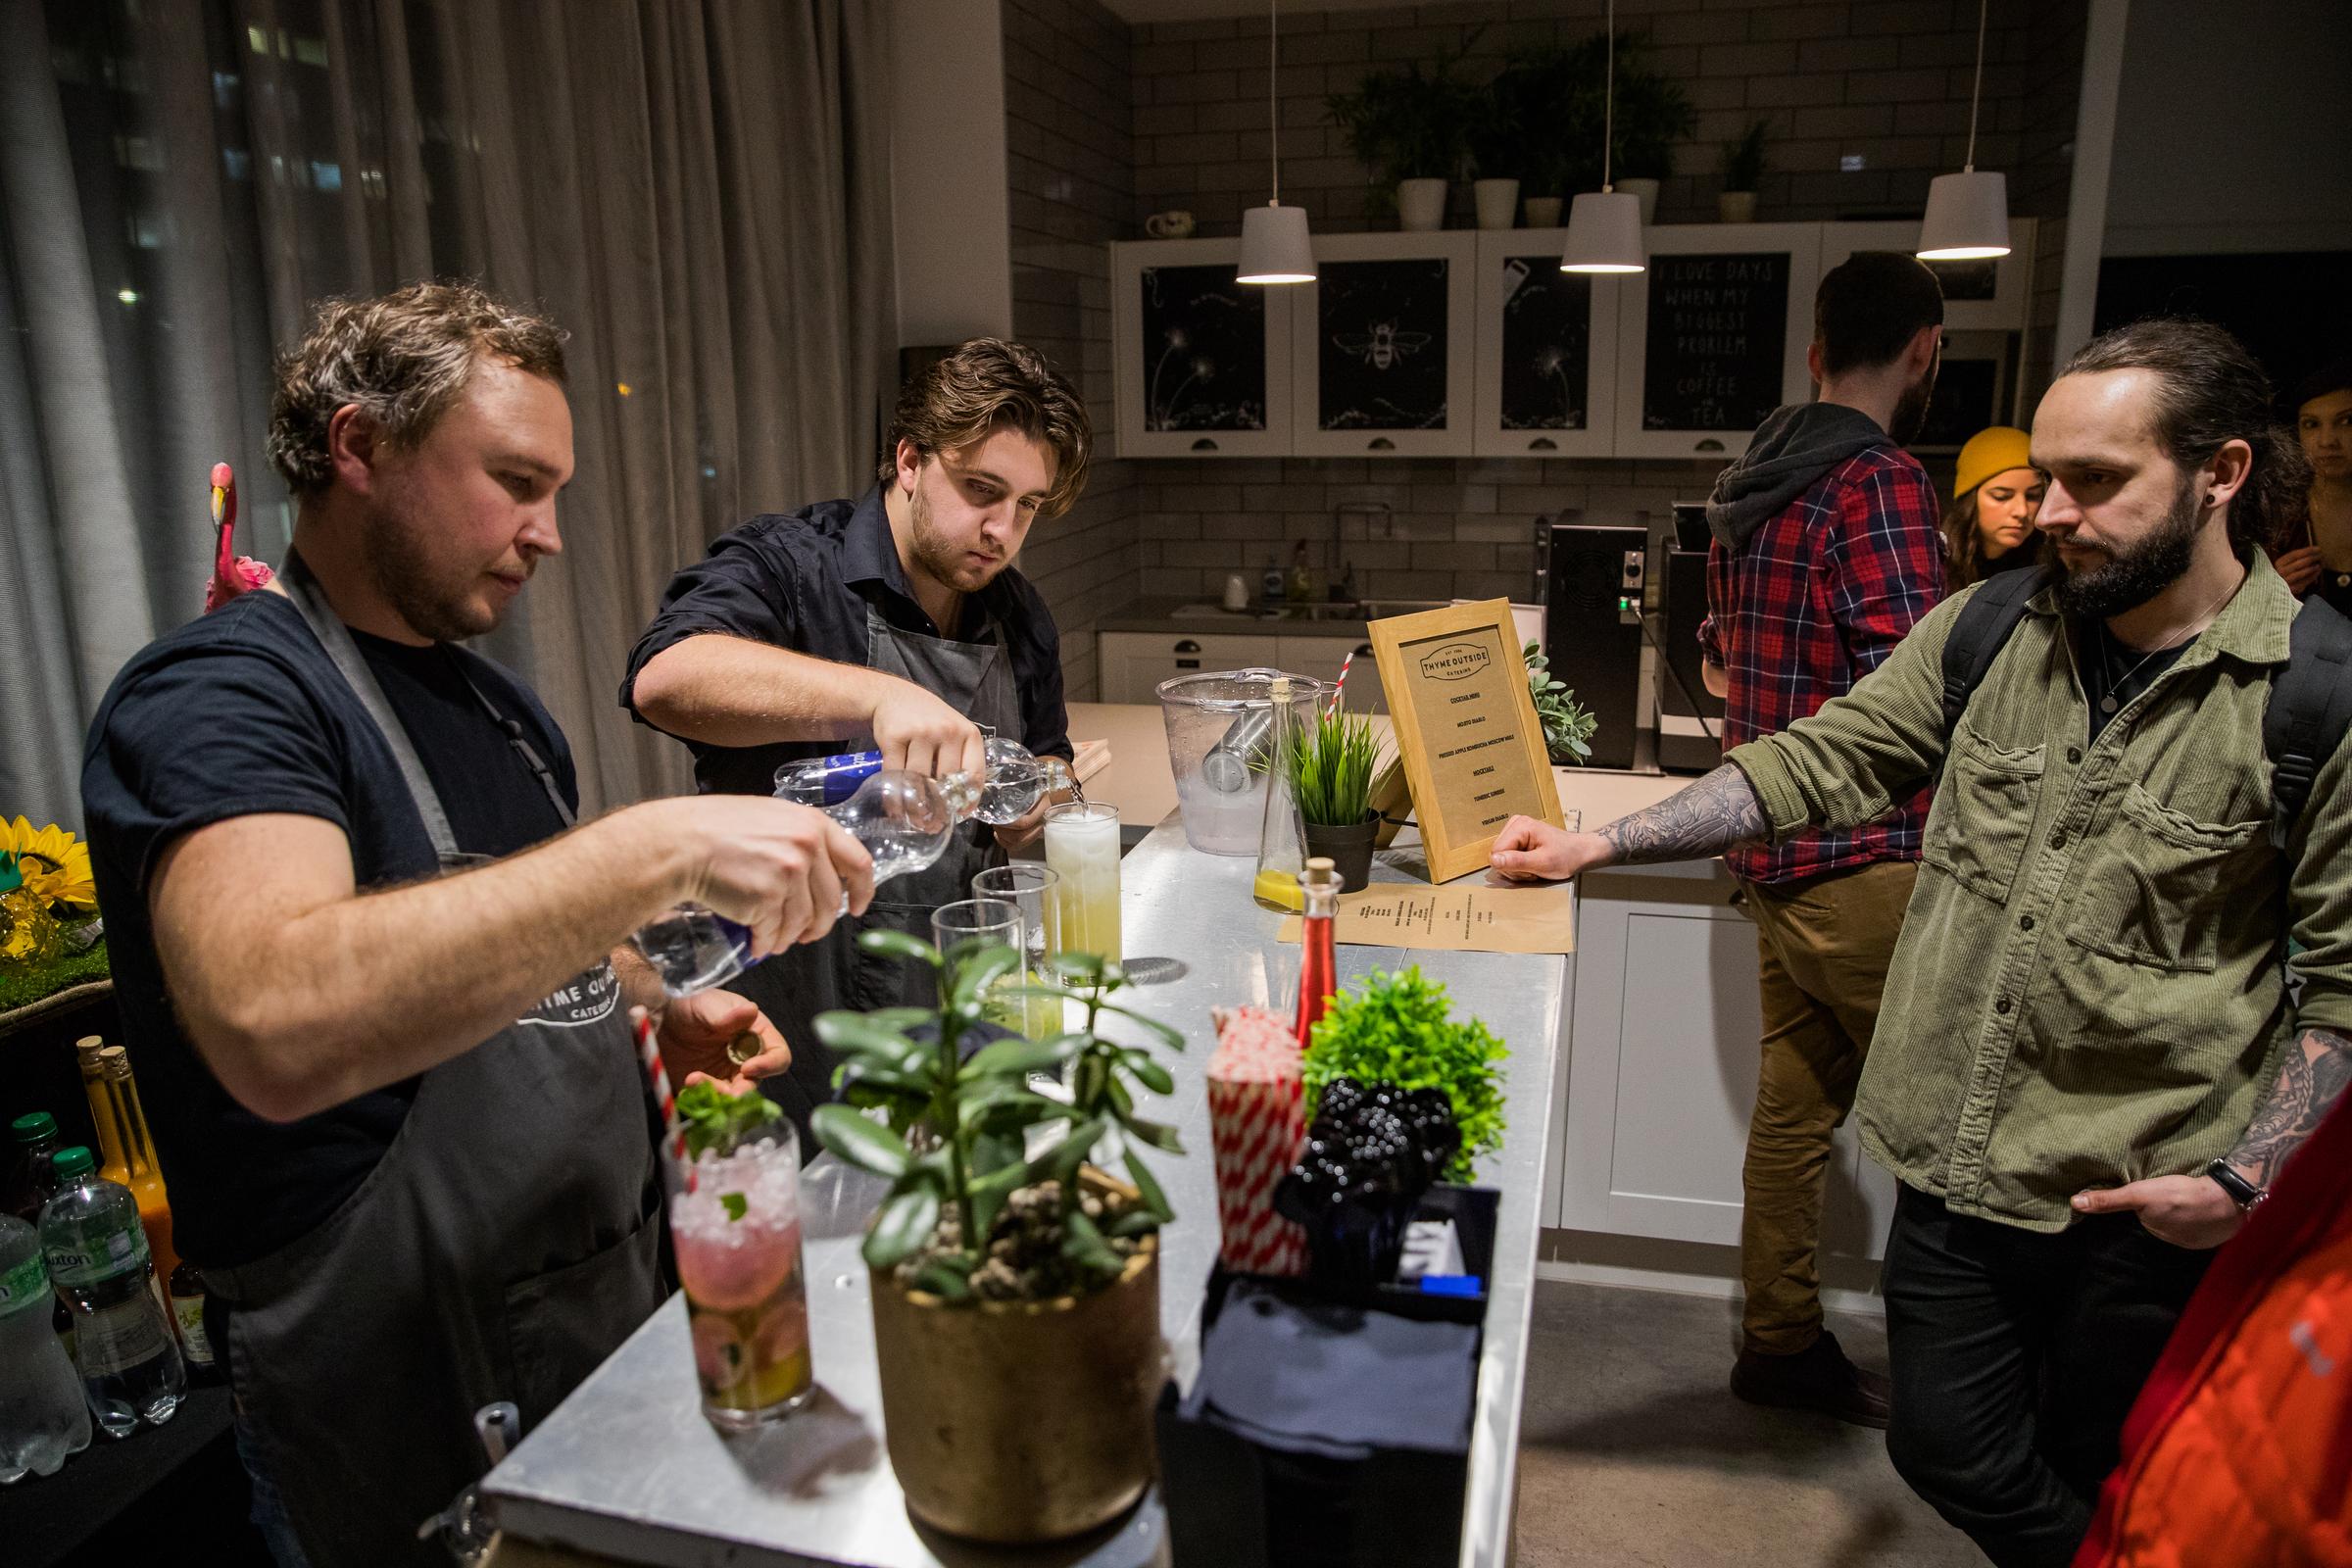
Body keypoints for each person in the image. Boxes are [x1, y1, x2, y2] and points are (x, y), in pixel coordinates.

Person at [1493, 318, 2347, 1568]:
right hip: (1954, 1168)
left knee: (2109, 1468)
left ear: (2219, 475)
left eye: (2098, 481)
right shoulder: (1992, 629)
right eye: (2046, 477)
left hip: (2143, 1203)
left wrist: (2241, 1182)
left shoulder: (2314, 695)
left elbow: (2339, 996)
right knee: (1946, 1445)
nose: (2052, 511)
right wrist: (1598, 846)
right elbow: (1824, 757)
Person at [80, 282, 875, 1566]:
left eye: (554, 490)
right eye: (514, 481)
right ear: (359, 446)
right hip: (397, 1389)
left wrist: (649, 1005)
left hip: (592, 1323)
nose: (547, 533)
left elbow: (510, 946)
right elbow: (276, 1018)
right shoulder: (218, 699)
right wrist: (651, 850)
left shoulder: (503, 712)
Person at [623, 338, 1088, 1143]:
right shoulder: (792, 565)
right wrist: (878, 697)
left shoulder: (1018, 613)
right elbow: (666, 677)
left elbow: (1049, 755)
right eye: (981, 490)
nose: (1002, 529)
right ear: (908, 459)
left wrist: (1042, 798)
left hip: (952, 1000)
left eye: (1027, 506)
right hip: (791, 1015)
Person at [1693, 249, 1948, 1429]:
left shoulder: (1756, 477)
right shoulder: (1881, 483)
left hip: (1770, 858)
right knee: (1959, 1127)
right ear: (1925, 350)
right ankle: (1966, 1389)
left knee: (1794, 1117)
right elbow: (1913, 687)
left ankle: (1780, 1341)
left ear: (1814, 349)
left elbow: (1715, 649)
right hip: (1863, 865)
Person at [2270, 357, 2352, 612]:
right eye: (2312, 424)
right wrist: (2270, 590)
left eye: (2347, 421)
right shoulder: (2275, 518)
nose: (2328, 441)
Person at [1945, 425, 2052, 586]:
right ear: (1970, 501)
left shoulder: (2046, 564)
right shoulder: (1939, 563)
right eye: (2002, 497)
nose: (2021, 511)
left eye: (2032, 496)